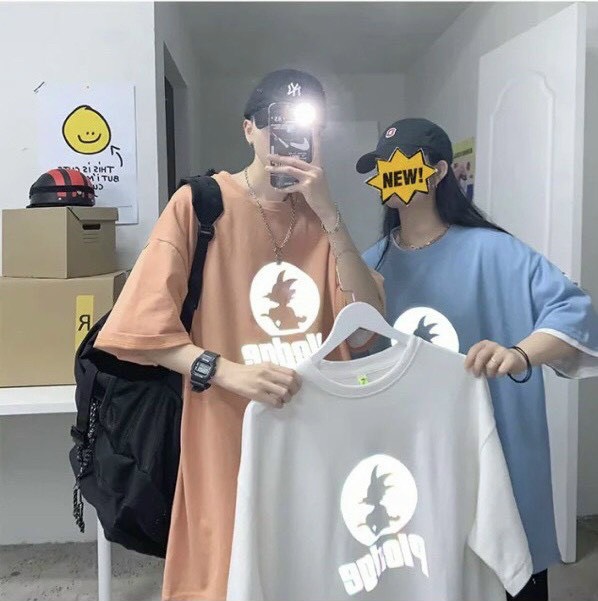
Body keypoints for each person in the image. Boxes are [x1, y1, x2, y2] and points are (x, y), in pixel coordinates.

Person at [92, 69, 384, 601]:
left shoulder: (323, 218)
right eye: (275, 124)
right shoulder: (200, 204)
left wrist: (330, 212)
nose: (287, 140)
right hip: (226, 427)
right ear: (248, 129)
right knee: (228, 568)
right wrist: (225, 371)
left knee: (315, 565)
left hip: (318, 430)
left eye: (303, 128)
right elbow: (138, 326)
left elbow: (366, 328)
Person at [360, 118, 598, 601]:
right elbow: (350, 349)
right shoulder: (371, 264)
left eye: (399, 164)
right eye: (382, 167)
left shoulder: (496, 252)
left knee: (511, 571)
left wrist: (519, 353)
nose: (389, 174)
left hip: (499, 448)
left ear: (438, 171)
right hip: (412, 458)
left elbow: (575, 312)